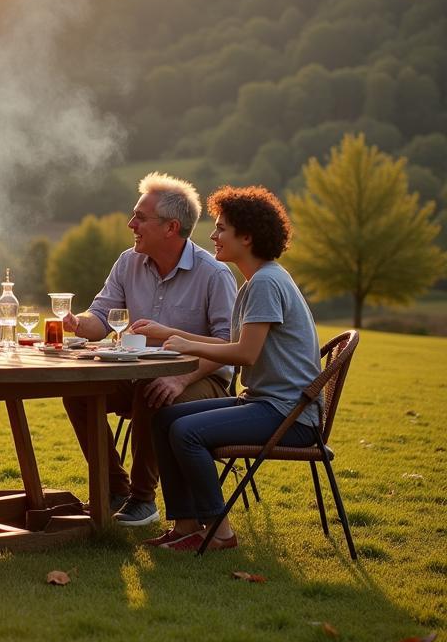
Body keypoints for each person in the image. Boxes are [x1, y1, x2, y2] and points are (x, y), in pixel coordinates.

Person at [142, 186, 322, 551]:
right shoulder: (258, 280)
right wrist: (171, 334)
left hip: (289, 415)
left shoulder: (266, 283)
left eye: (221, 228)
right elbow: (234, 346)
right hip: (266, 403)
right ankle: (185, 526)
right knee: (164, 419)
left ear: (247, 236)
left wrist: (187, 343)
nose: (213, 236)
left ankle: (218, 532)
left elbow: (246, 354)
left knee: (187, 433)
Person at [61, 173, 236, 527]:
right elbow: (101, 317)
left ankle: (143, 500)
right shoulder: (128, 262)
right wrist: (78, 323)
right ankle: (115, 489)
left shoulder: (214, 275)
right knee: (77, 390)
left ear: (171, 227)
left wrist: (181, 379)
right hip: (134, 373)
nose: (131, 224)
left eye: (140, 218)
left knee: (154, 392)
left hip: (203, 379)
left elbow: (228, 347)